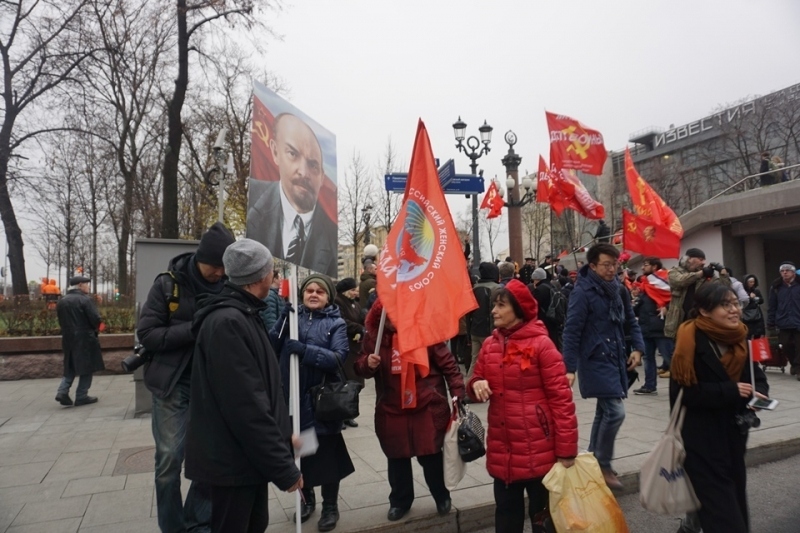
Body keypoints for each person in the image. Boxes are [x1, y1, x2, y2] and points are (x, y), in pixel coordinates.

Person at [185, 239, 302, 533]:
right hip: (232, 463)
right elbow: (246, 406)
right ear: (262, 276)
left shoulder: (244, 314)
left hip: (245, 460)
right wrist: (284, 469)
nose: (273, 274)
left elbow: (264, 388)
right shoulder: (229, 322)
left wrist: (284, 436)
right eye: (271, 269)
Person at [137, 221, 235, 533]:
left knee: (209, 457)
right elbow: (148, 333)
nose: (220, 273)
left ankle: (197, 521)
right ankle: (173, 527)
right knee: (168, 460)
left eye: (225, 267)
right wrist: (193, 328)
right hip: (173, 384)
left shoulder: (227, 285)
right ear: (200, 258)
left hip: (211, 385)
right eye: (215, 267)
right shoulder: (168, 285)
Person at [468, 280, 578, 533]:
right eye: (494, 305)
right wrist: (477, 383)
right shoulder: (489, 345)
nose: (493, 310)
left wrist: (567, 450)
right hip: (503, 449)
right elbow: (475, 380)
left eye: (500, 305)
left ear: (518, 310)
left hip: (539, 449)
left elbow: (562, 401)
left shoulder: (542, 345)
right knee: (506, 516)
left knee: (542, 518)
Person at [670, 283, 769, 533]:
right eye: (726, 305)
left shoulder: (740, 337)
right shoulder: (688, 341)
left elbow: (758, 378)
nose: (734, 310)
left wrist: (760, 397)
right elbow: (684, 395)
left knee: (734, 502)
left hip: (734, 436)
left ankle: (691, 526)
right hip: (701, 441)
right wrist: (730, 390)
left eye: (736, 303)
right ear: (704, 310)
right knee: (725, 518)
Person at [355, 298, 465, 522]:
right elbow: (359, 367)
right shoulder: (374, 339)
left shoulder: (425, 333)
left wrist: (457, 394)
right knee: (397, 457)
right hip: (391, 406)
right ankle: (400, 501)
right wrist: (368, 363)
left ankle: (441, 495)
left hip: (425, 403)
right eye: (390, 315)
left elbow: (449, 365)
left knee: (431, 454)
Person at [270, 274, 353, 532]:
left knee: (327, 456)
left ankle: (330, 506)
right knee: (302, 456)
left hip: (320, 402)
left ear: (328, 296)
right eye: (309, 290)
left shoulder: (336, 323)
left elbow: (338, 358)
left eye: (319, 291)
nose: (313, 294)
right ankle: (307, 500)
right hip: (293, 399)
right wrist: (284, 317)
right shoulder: (292, 318)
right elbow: (272, 344)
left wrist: (305, 351)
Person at [561, 243, 644, 490]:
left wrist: (638, 349)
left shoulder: (618, 290)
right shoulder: (582, 292)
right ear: (593, 265)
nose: (611, 269)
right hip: (595, 358)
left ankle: (592, 457)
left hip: (616, 356)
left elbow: (631, 321)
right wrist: (569, 368)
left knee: (604, 411)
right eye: (606, 265)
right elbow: (572, 331)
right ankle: (604, 463)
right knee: (615, 412)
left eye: (615, 264)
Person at [247, 113, 337, 278]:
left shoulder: (331, 238)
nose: (303, 172)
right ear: (275, 151)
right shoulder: (253, 204)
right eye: (293, 154)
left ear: (322, 177)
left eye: (313, 164)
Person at [54, 275, 104, 407]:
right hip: (85, 337)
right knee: (87, 366)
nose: (88, 287)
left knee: (70, 365)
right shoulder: (85, 300)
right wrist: (99, 327)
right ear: (80, 285)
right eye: (87, 284)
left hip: (68, 337)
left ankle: (62, 390)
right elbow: (95, 318)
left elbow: (60, 320)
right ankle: (81, 395)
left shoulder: (62, 301)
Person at [664, 248, 729, 340]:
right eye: (701, 259)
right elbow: (680, 281)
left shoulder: (706, 275)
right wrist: (701, 273)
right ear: (689, 259)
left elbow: (724, 289)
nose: (703, 263)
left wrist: (723, 272)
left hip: (699, 319)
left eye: (704, 260)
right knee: (681, 350)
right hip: (679, 320)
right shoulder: (676, 271)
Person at [633, 257, 674, 394]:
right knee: (648, 358)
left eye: (645, 265)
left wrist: (667, 307)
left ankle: (683, 385)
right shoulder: (646, 285)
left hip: (660, 328)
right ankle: (649, 386)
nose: (642, 268)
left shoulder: (663, 281)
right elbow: (642, 306)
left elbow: (674, 298)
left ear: (655, 266)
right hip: (646, 327)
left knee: (670, 357)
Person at [333, 277, 365, 428]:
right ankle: (342, 415)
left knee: (355, 381)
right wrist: (359, 328)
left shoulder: (354, 303)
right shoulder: (338, 302)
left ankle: (350, 413)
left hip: (356, 347)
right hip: (345, 346)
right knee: (346, 381)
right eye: (353, 290)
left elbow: (359, 318)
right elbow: (343, 322)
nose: (355, 292)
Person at [767, 261, 800, 378]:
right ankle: (794, 365)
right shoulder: (776, 287)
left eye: (787, 270)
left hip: (798, 321)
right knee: (785, 346)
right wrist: (770, 322)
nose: (785, 273)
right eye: (782, 271)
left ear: (793, 272)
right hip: (783, 321)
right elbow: (772, 306)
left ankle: (798, 369)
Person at [467, 262, 500, 377]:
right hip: (490, 332)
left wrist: (468, 334)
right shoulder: (496, 288)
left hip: (474, 330)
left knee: (475, 361)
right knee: (492, 361)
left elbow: (468, 314)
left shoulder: (474, 289)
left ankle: (468, 387)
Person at [527, 268, 561, 347]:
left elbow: (533, 305)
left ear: (537, 279)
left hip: (544, 320)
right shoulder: (551, 286)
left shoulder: (540, 290)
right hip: (554, 318)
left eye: (534, 280)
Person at [742, 275, 765, 339]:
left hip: (756, 313)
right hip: (746, 313)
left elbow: (762, 300)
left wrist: (756, 298)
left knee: (758, 333)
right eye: (750, 282)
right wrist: (750, 298)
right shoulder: (742, 292)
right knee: (748, 334)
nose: (752, 284)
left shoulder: (756, 291)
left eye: (753, 282)